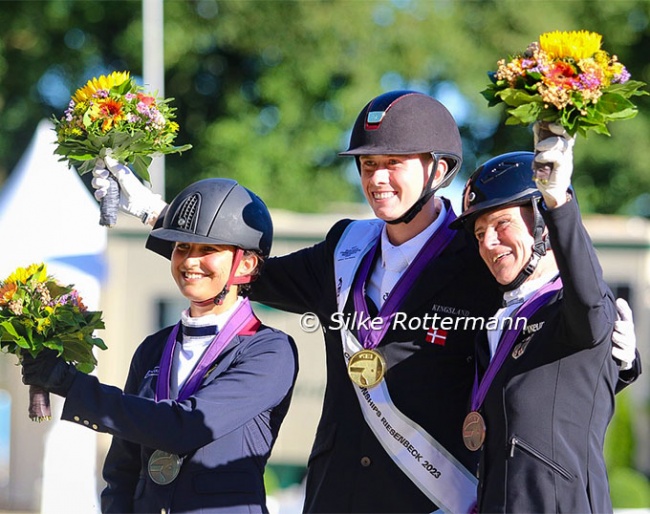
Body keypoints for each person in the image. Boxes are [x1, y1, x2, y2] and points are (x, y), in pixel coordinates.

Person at [89, 91, 640, 513]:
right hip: (336, 492)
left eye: (394, 162)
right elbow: (245, 271)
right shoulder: (343, 249)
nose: (377, 178)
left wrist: (623, 360)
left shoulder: (480, 258)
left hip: (430, 493)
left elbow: (550, 343)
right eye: (368, 165)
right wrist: (158, 213)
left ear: (439, 170)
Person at [21, 178, 299, 514]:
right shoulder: (154, 348)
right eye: (182, 247)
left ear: (246, 264)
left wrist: (72, 384)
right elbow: (122, 470)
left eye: (207, 250)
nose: (190, 262)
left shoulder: (269, 351)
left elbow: (183, 427)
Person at [450, 126, 640, 512]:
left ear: (540, 227)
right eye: (480, 232)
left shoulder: (574, 306)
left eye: (502, 224)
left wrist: (559, 203)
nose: (488, 243)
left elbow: (588, 306)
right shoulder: (497, 319)